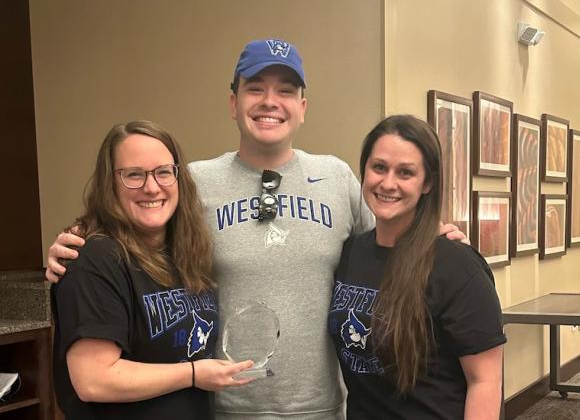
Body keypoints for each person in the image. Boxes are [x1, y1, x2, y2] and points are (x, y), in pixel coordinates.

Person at [46, 40, 466, 419]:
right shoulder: (192, 182)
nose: (270, 102)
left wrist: (437, 237)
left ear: (303, 106)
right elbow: (136, 230)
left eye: (285, 91)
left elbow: (387, 245)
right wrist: (75, 242)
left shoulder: (337, 179)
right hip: (222, 404)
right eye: (255, 88)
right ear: (233, 102)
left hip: (321, 407)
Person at [51, 121, 253, 420]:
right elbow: (93, 380)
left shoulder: (185, 253)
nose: (151, 187)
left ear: (178, 178)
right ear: (110, 183)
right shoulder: (95, 258)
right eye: (134, 175)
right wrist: (194, 374)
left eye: (162, 172)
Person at [328, 115, 505, 419]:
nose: (388, 183)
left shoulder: (457, 267)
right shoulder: (349, 253)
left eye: (406, 172)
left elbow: (485, 381)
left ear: (428, 183)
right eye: (379, 167)